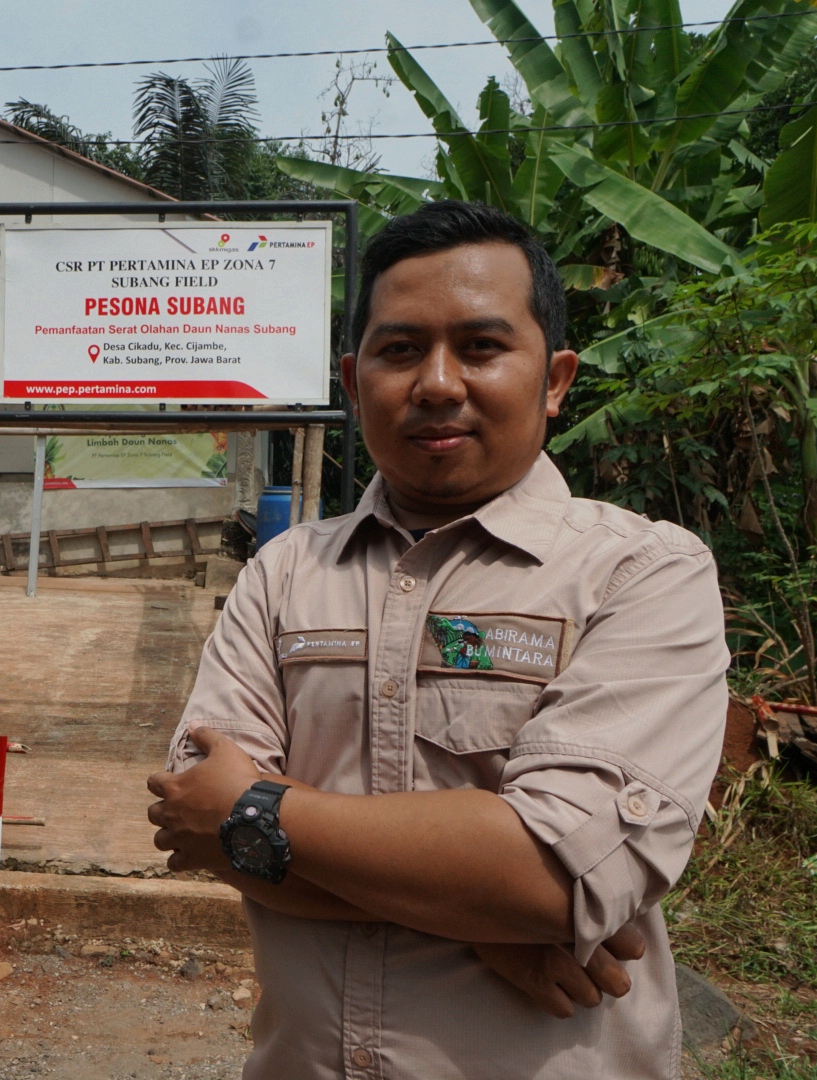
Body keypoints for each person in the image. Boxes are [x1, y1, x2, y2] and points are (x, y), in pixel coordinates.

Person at [147, 201, 728, 1079]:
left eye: (484, 347)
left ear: (557, 377)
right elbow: (195, 823)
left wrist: (259, 811)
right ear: (353, 381)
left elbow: (550, 875)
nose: (439, 382)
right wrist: (483, 918)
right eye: (400, 349)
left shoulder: (643, 573)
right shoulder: (284, 573)